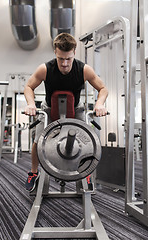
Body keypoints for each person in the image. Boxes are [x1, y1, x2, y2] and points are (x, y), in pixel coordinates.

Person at [24, 33, 108, 192]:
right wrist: (30, 103)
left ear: (74, 53)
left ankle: (86, 172)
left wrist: (99, 103)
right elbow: (28, 87)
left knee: (86, 141)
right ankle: (34, 173)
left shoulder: (84, 69)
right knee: (38, 140)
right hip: (49, 108)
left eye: (68, 59)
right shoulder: (45, 69)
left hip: (75, 109)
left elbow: (103, 88)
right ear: (55, 52)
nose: (64, 63)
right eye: (61, 59)